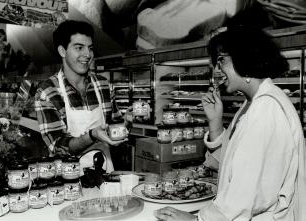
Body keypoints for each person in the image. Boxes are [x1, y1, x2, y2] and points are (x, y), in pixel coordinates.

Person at [154, 26, 306, 220]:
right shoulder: (252, 103)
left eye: (221, 61)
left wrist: (196, 219)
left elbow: (246, 193)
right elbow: (234, 164)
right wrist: (215, 123)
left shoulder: (267, 109)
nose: (217, 71)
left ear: (245, 58)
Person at [35, 20, 131, 175]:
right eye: (79, 47)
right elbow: (59, 146)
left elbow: (115, 127)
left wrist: (127, 121)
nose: (88, 55)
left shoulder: (102, 85)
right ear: (62, 51)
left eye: (90, 48)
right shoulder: (48, 91)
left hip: (106, 173)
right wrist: (92, 135)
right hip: (68, 182)